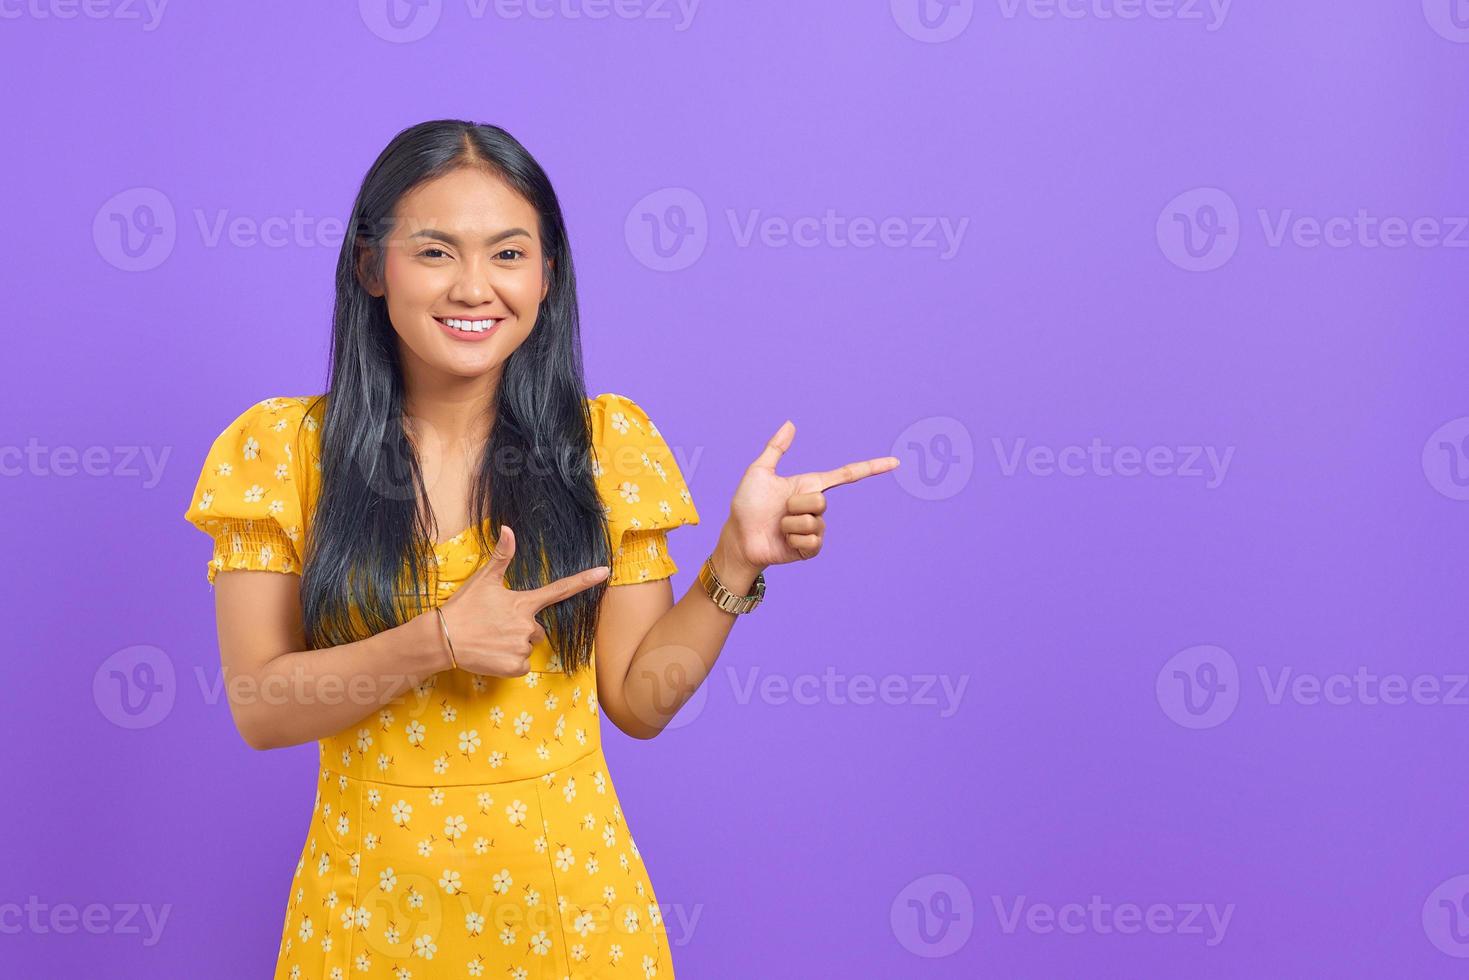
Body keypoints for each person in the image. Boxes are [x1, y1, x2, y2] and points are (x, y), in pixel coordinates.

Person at [182, 119, 898, 979]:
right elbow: (260, 708)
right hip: (364, 923)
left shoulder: (604, 446)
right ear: (373, 268)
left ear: (548, 272)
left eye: (509, 254)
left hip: (574, 920)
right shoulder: (282, 452)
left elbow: (638, 701)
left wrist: (732, 566)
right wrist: (437, 640)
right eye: (436, 252)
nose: (475, 287)